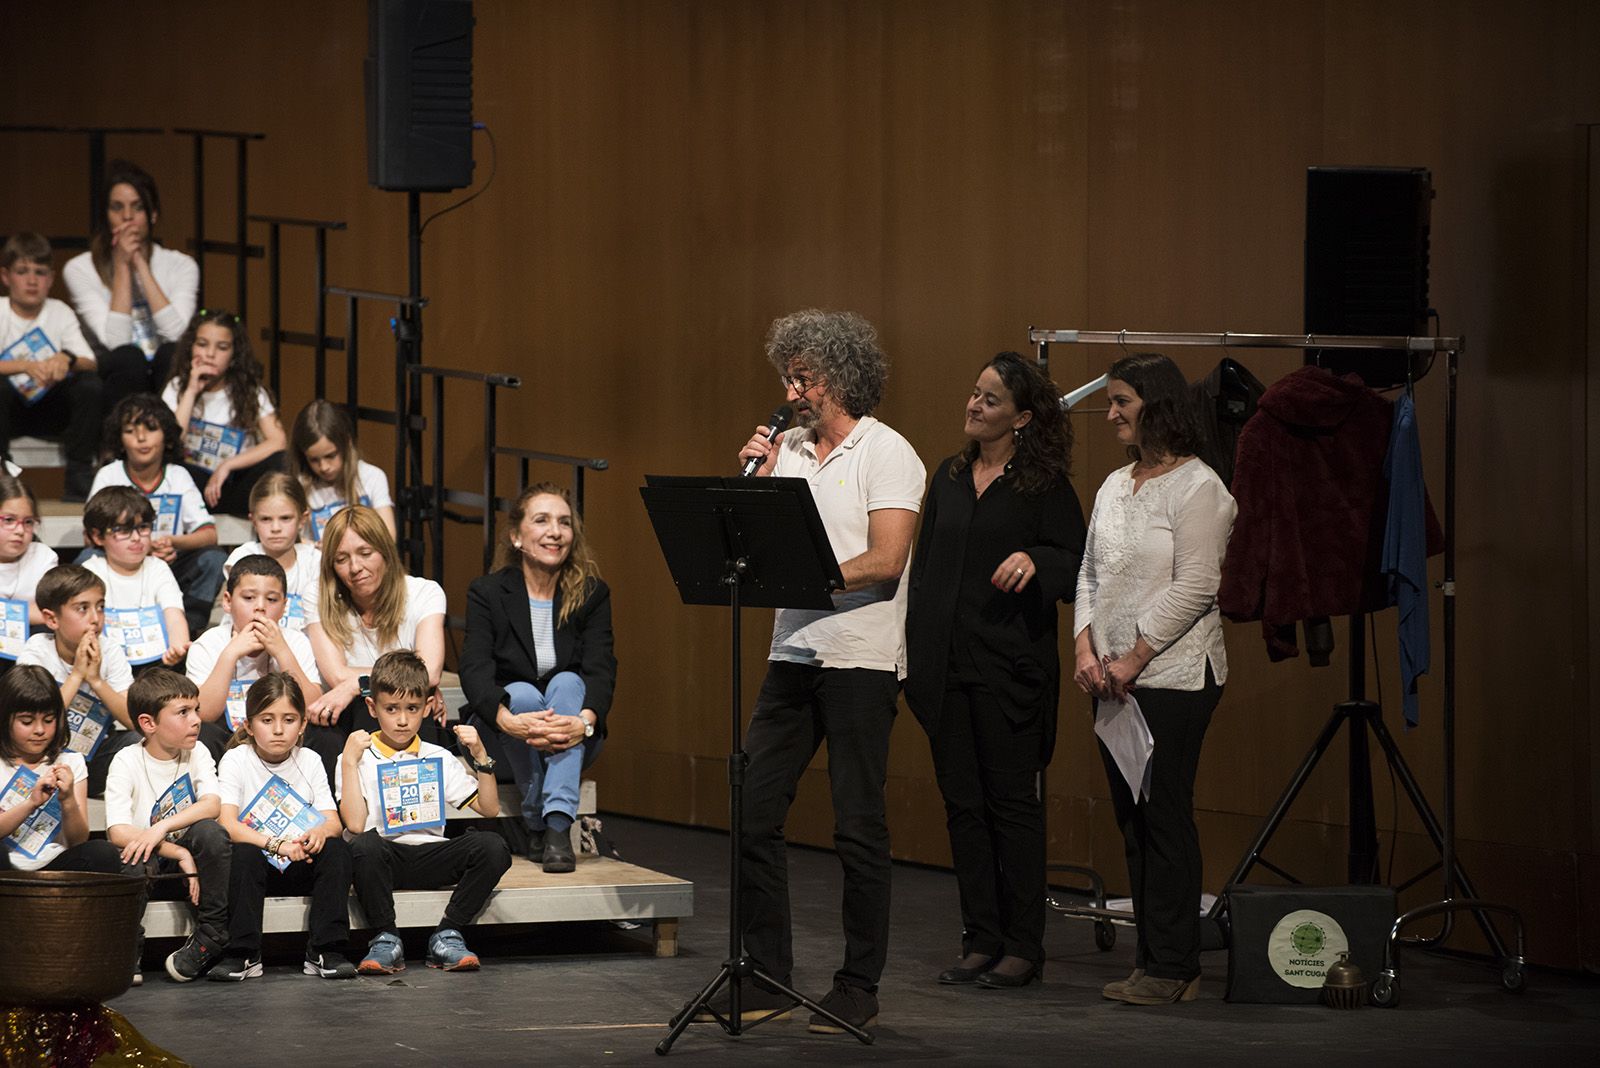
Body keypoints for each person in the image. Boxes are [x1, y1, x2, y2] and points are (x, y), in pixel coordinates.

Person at [716, 309, 924, 1034]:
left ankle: (858, 984)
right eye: (787, 376)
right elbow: (747, 549)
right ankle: (766, 973)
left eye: (801, 378)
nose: (789, 392)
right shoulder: (792, 450)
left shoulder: (886, 451)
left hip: (860, 658)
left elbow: (886, 559)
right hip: (793, 651)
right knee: (753, 809)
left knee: (857, 825)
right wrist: (756, 478)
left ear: (837, 376)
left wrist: (809, 574)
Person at [905, 352, 1085, 989]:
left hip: (1009, 671)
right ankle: (980, 937)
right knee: (963, 807)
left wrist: (1036, 559)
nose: (974, 405)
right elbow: (924, 570)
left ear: (1023, 418)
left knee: (1011, 808)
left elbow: (1076, 564)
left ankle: (1023, 945)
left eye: (990, 399)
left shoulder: (1044, 486)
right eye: (974, 392)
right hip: (946, 669)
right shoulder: (950, 476)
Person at [1072, 352, 1236, 1006]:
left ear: (1157, 405)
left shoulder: (1200, 488)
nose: (1110, 413)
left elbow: (1198, 585)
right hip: (1111, 681)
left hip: (1173, 676)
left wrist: (1134, 657)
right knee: (1133, 822)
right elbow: (1089, 573)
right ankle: (1151, 959)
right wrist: (1084, 649)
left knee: (1163, 816)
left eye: (1122, 402)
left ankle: (1176, 967)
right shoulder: (1115, 484)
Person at [460, 482, 615, 873]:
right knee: (522, 693)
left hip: (571, 734)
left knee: (568, 683)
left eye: (564, 522)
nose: (555, 532)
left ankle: (553, 825)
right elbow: (475, 669)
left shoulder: (592, 594)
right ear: (516, 535)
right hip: (501, 736)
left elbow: (601, 668)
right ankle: (540, 820)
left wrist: (584, 722)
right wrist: (507, 720)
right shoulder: (487, 592)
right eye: (542, 520)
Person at [337, 650, 509, 974]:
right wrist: (348, 761)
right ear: (372, 707)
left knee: (492, 846)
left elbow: (489, 808)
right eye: (391, 709)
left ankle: (448, 933)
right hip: (382, 858)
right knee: (362, 845)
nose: (402, 720)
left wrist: (480, 755)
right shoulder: (357, 756)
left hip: (430, 855)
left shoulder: (437, 756)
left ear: (427, 707)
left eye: (412, 709)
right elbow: (356, 825)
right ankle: (386, 937)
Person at [214, 672, 356, 981]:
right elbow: (227, 823)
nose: (278, 729)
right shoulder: (236, 760)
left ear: (303, 724)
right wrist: (277, 846)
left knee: (336, 849)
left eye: (289, 720)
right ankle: (243, 952)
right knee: (243, 853)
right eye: (267, 720)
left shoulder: (310, 759)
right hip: (258, 867)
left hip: (300, 863)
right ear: (249, 725)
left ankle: (326, 949)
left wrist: (319, 832)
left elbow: (333, 821)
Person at [104, 668, 232, 982]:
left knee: (211, 832)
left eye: (196, 710)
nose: (196, 720)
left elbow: (212, 804)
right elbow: (117, 830)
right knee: (134, 854)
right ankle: (127, 946)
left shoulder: (197, 752)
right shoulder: (126, 760)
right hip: (150, 865)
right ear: (149, 723)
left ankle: (211, 934)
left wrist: (162, 827)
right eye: (183, 712)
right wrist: (176, 851)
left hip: (192, 875)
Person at [304, 505, 446, 775]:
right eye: (341, 559)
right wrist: (403, 675)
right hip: (345, 713)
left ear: (384, 550)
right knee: (346, 717)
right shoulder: (318, 595)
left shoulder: (425, 592)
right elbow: (335, 675)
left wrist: (355, 684)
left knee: (396, 707)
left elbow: (429, 672)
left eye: (365, 553)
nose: (355, 567)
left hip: (403, 711)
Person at [61, 160, 199, 414]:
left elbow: (177, 334)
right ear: (106, 216)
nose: (127, 217)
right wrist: (122, 266)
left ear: (153, 214)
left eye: (137, 208)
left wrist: (140, 265)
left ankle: (169, 435)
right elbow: (117, 342)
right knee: (128, 358)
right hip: (116, 373)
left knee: (171, 354)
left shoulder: (181, 265)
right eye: (117, 208)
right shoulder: (80, 268)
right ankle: (121, 436)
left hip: (163, 368)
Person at [89, 393, 227, 639]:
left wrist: (172, 542)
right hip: (119, 562)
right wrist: (139, 546)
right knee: (86, 559)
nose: (141, 438)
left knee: (213, 559)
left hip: (171, 560)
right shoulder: (109, 475)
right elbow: (90, 536)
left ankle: (188, 628)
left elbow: (209, 533)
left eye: (151, 429)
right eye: (130, 431)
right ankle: (105, 626)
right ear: (120, 439)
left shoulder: (178, 475)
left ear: (166, 435)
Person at [185, 554, 323, 760]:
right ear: (228, 601)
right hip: (228, 735)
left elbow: (313, 708)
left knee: (325, 735)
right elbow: (203, 713)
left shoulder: (295, 641)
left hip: (283, 734)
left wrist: (282, 652)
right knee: (201, 733)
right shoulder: (208, 644)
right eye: (249, 598)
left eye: (272, 599)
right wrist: (230, 655)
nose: (260, 607)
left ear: (284, 606)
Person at [0, 232, 103, 499]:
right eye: (22, 271)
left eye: (40, 272)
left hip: (50, 409)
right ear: (6, 276)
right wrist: (24, 366)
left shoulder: (60, 311)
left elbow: (89, 361)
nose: (32, 280)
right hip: (9, 412)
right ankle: (2, 472)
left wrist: (66, 358)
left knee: (89, 385)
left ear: (51, 279)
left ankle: (79, 475)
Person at [18, 565, 136, 796]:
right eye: (82, 608)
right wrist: (77, 675)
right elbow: (34, 719)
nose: (95, 618)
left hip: (93, 756)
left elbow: (133, 721)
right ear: (52, 619)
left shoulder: (110, 650)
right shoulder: (37, 650)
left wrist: (96, 680)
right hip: (44, 758)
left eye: (100, 607)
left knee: (142, 738)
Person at [0, 665, 127, 874]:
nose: (40, 730)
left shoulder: (71, 762)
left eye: (48, 720)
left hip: (55, 864)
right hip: (6, 866)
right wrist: (31, 803)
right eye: (27, 721)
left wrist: (67, 800)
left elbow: (78, 840)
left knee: (103, 853)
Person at [160, 309, 287, 517]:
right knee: (169, 466)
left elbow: (278, 441)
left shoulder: (250, 391)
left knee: (282, 461)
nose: (210, 354)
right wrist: (191, 391)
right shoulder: (177, 387)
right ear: (191, 347)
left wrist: (227, 465)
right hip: (195, 482)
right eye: (202, 344)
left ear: (234, 354)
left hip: (236, 482)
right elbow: (170, 442)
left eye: (222, 347)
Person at [81, 486, 191, 668]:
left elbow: (174, 614)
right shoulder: (91, 571)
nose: (136, 537)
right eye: (123, 530)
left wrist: (178, 647)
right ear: (98, 536)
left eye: (143, 527)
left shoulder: (157, 568)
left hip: (156, 661)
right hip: (105, 662)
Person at [222, 472, 321, 633]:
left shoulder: (314, 561)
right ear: (253, 521)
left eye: (285, 518)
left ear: (303, 519)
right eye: (266, 519)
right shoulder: (243, 556)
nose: (275, 528)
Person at [289, 399, 396, 544]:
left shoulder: (371, 476)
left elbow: (389, 537)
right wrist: (316, 547)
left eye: (331, 456)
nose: (324, 467)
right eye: (314, 460)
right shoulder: (301, 486)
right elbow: (292, 540)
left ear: (347, 443)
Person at [0, 473, 57, 649]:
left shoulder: (44, 557)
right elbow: (36, 613)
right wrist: (27, 612)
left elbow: (49, 614)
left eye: (28, 522)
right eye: (9, 520)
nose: (20, 530)